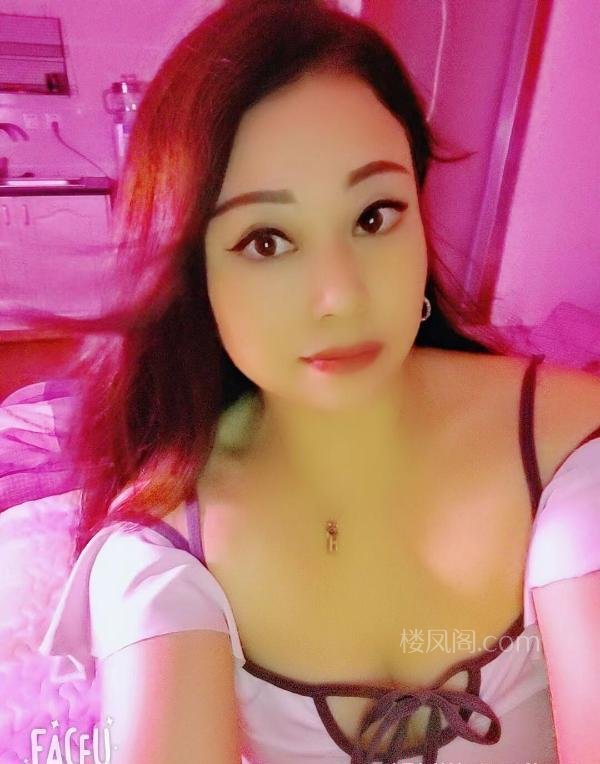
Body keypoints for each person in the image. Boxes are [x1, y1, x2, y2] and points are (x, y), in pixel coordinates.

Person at [38, 0, 600, 762]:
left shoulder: (569, 454)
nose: (339, 295)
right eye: (267, 240)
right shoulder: (163, 553)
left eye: (373, 217)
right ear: (195, 274)